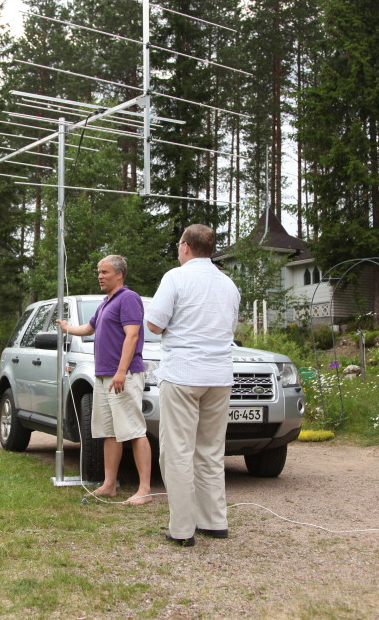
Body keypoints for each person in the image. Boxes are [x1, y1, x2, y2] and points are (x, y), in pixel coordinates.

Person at [145, 224, 241, 547]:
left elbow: (155, 323)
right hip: (219, 376)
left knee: (177, 452)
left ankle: (182, 528)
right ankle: (214, 521)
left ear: (185, 246)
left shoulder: (176, 277)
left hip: (183, 375)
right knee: (211, 451)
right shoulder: (229, 285)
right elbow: (229, 326)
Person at [57, 255, 153, 505]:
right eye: (99, 272)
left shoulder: (128, 298)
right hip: (102, 376)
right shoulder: (104, 303)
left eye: (105, 272)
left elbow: (132, 336)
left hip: (124, 375)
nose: (100, 276)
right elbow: (89, 329)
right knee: (109, 433)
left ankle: (145, 489)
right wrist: (67, 327)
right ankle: (109, 485)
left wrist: (121, 372)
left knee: (134, 431)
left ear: (119, 275)